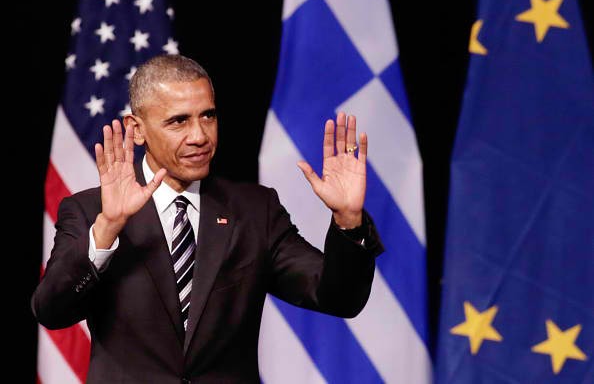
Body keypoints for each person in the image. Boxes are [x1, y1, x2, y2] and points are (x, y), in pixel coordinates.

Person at [32, 54, 383, 383]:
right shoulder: (89, 212)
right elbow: (51, 311)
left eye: (208, 116)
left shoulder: (254, 209)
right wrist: (108, 227)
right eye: (178, 121)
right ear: (136, 129)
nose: (199, 136)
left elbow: (339, 298)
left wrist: (348, 219)